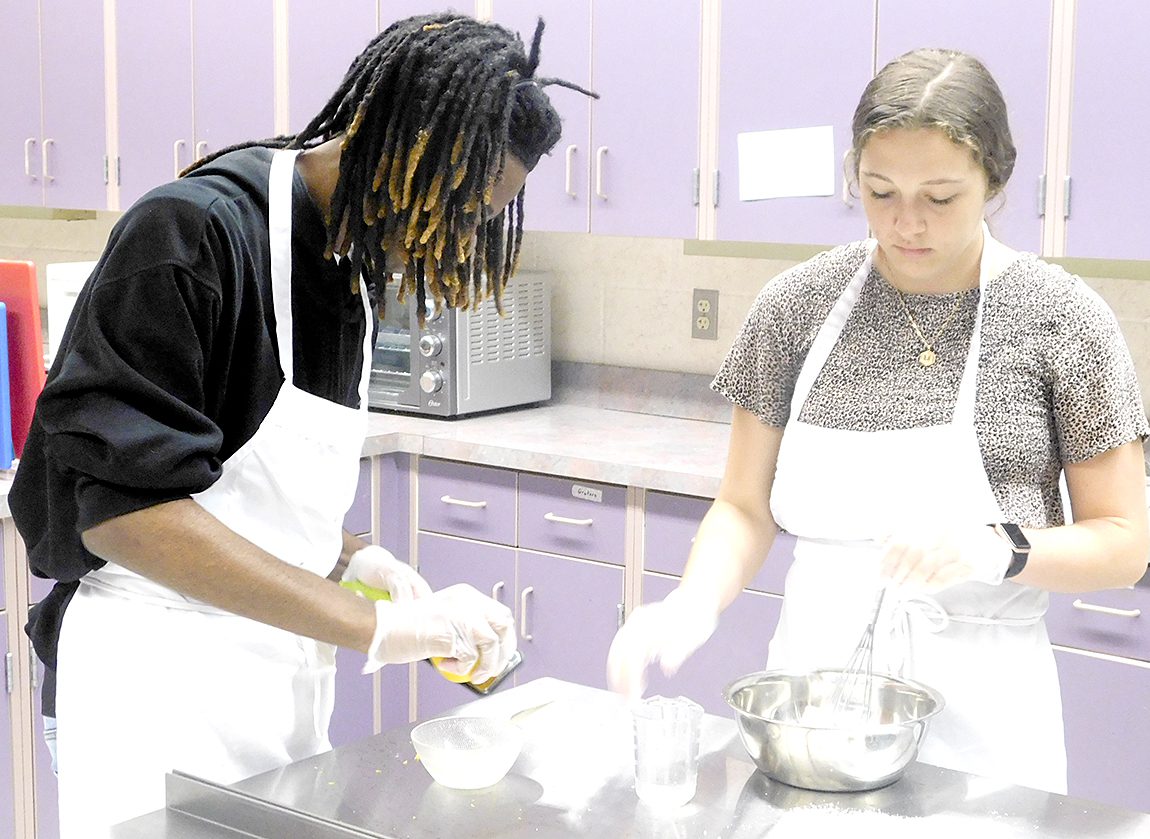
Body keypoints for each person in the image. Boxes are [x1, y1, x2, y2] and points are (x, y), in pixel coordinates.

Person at [10, 13, 593, 836]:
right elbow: (126, 514)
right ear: (403, 141)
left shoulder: (348, 267)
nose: (466, 239)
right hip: (155, 689)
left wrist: (360, 560)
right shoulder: (195, 234)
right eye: (465, 206)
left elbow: (247, 493)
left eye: (484, 218)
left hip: (275, 690)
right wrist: (377, 625)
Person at [607, 48, 1149, 796]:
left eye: (941, 197)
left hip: (986, 730)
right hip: (814, 714)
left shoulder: (1063, 320)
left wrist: (997, 549)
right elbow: (743, 505)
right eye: (880, 190)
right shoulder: (796, 307)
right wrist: (693, 600)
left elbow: (1124, 544)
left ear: (994, 182)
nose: (906, 222)